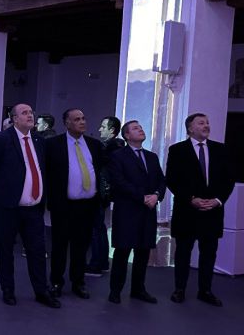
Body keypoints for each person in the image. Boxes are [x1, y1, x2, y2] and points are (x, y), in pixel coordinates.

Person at [0, 103, 60, 309]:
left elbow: (42, 170)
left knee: (37, 250)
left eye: (31, 112)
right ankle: (8, 290)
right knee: (5, 250)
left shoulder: (39, 141)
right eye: (24, 113)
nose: (30, 116)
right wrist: (4, 188)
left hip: (33, 208)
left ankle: (42, 291)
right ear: (14, 118)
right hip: (8, 207)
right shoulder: (1, 139)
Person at [166, 113, 235, 307]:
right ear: (190, 129)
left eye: (207, 122)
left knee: (209, 253)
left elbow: (228, 179)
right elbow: (172, 179)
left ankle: (205, 290)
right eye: (201, 123)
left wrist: (218, 200)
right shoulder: (177, 150)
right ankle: (179, 289)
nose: (206, 125)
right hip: (187, 211)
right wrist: (191, 199)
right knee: (183, 252)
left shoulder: (220, 150)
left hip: (212, 212)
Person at [44, 108, 104, 299]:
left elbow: (100, 170)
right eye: (77, 119)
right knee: (60, 245)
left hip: (87, 205)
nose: (82, 122)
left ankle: (78, 281)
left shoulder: (94, 145)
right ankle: (56, 282)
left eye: (84, 118)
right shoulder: (53, 144)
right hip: (64, 205)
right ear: (67, 123)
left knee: (81, 246)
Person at [107, 120, 165, 304]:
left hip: (148, 211)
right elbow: (119, 181)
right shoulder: (117, 156)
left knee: (143, 252)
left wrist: (156, 195)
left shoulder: (152, 157)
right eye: (135, 128)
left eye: (141, 127)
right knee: (123, 252)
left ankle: (138, 289)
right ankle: (115, 291)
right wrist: (143, 197)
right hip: (127, 210)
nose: (140, 129)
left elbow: (161, 181)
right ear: (126, 135)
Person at [85, 116, 125, 277]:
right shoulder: (115, 148)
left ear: (112, 131)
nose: (100, 129)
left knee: (96, 228)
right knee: (99, 228)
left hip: (100, 193)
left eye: (103, 127)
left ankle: (96, 264)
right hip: (104, 193)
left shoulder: (108, 149)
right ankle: (101, 262)